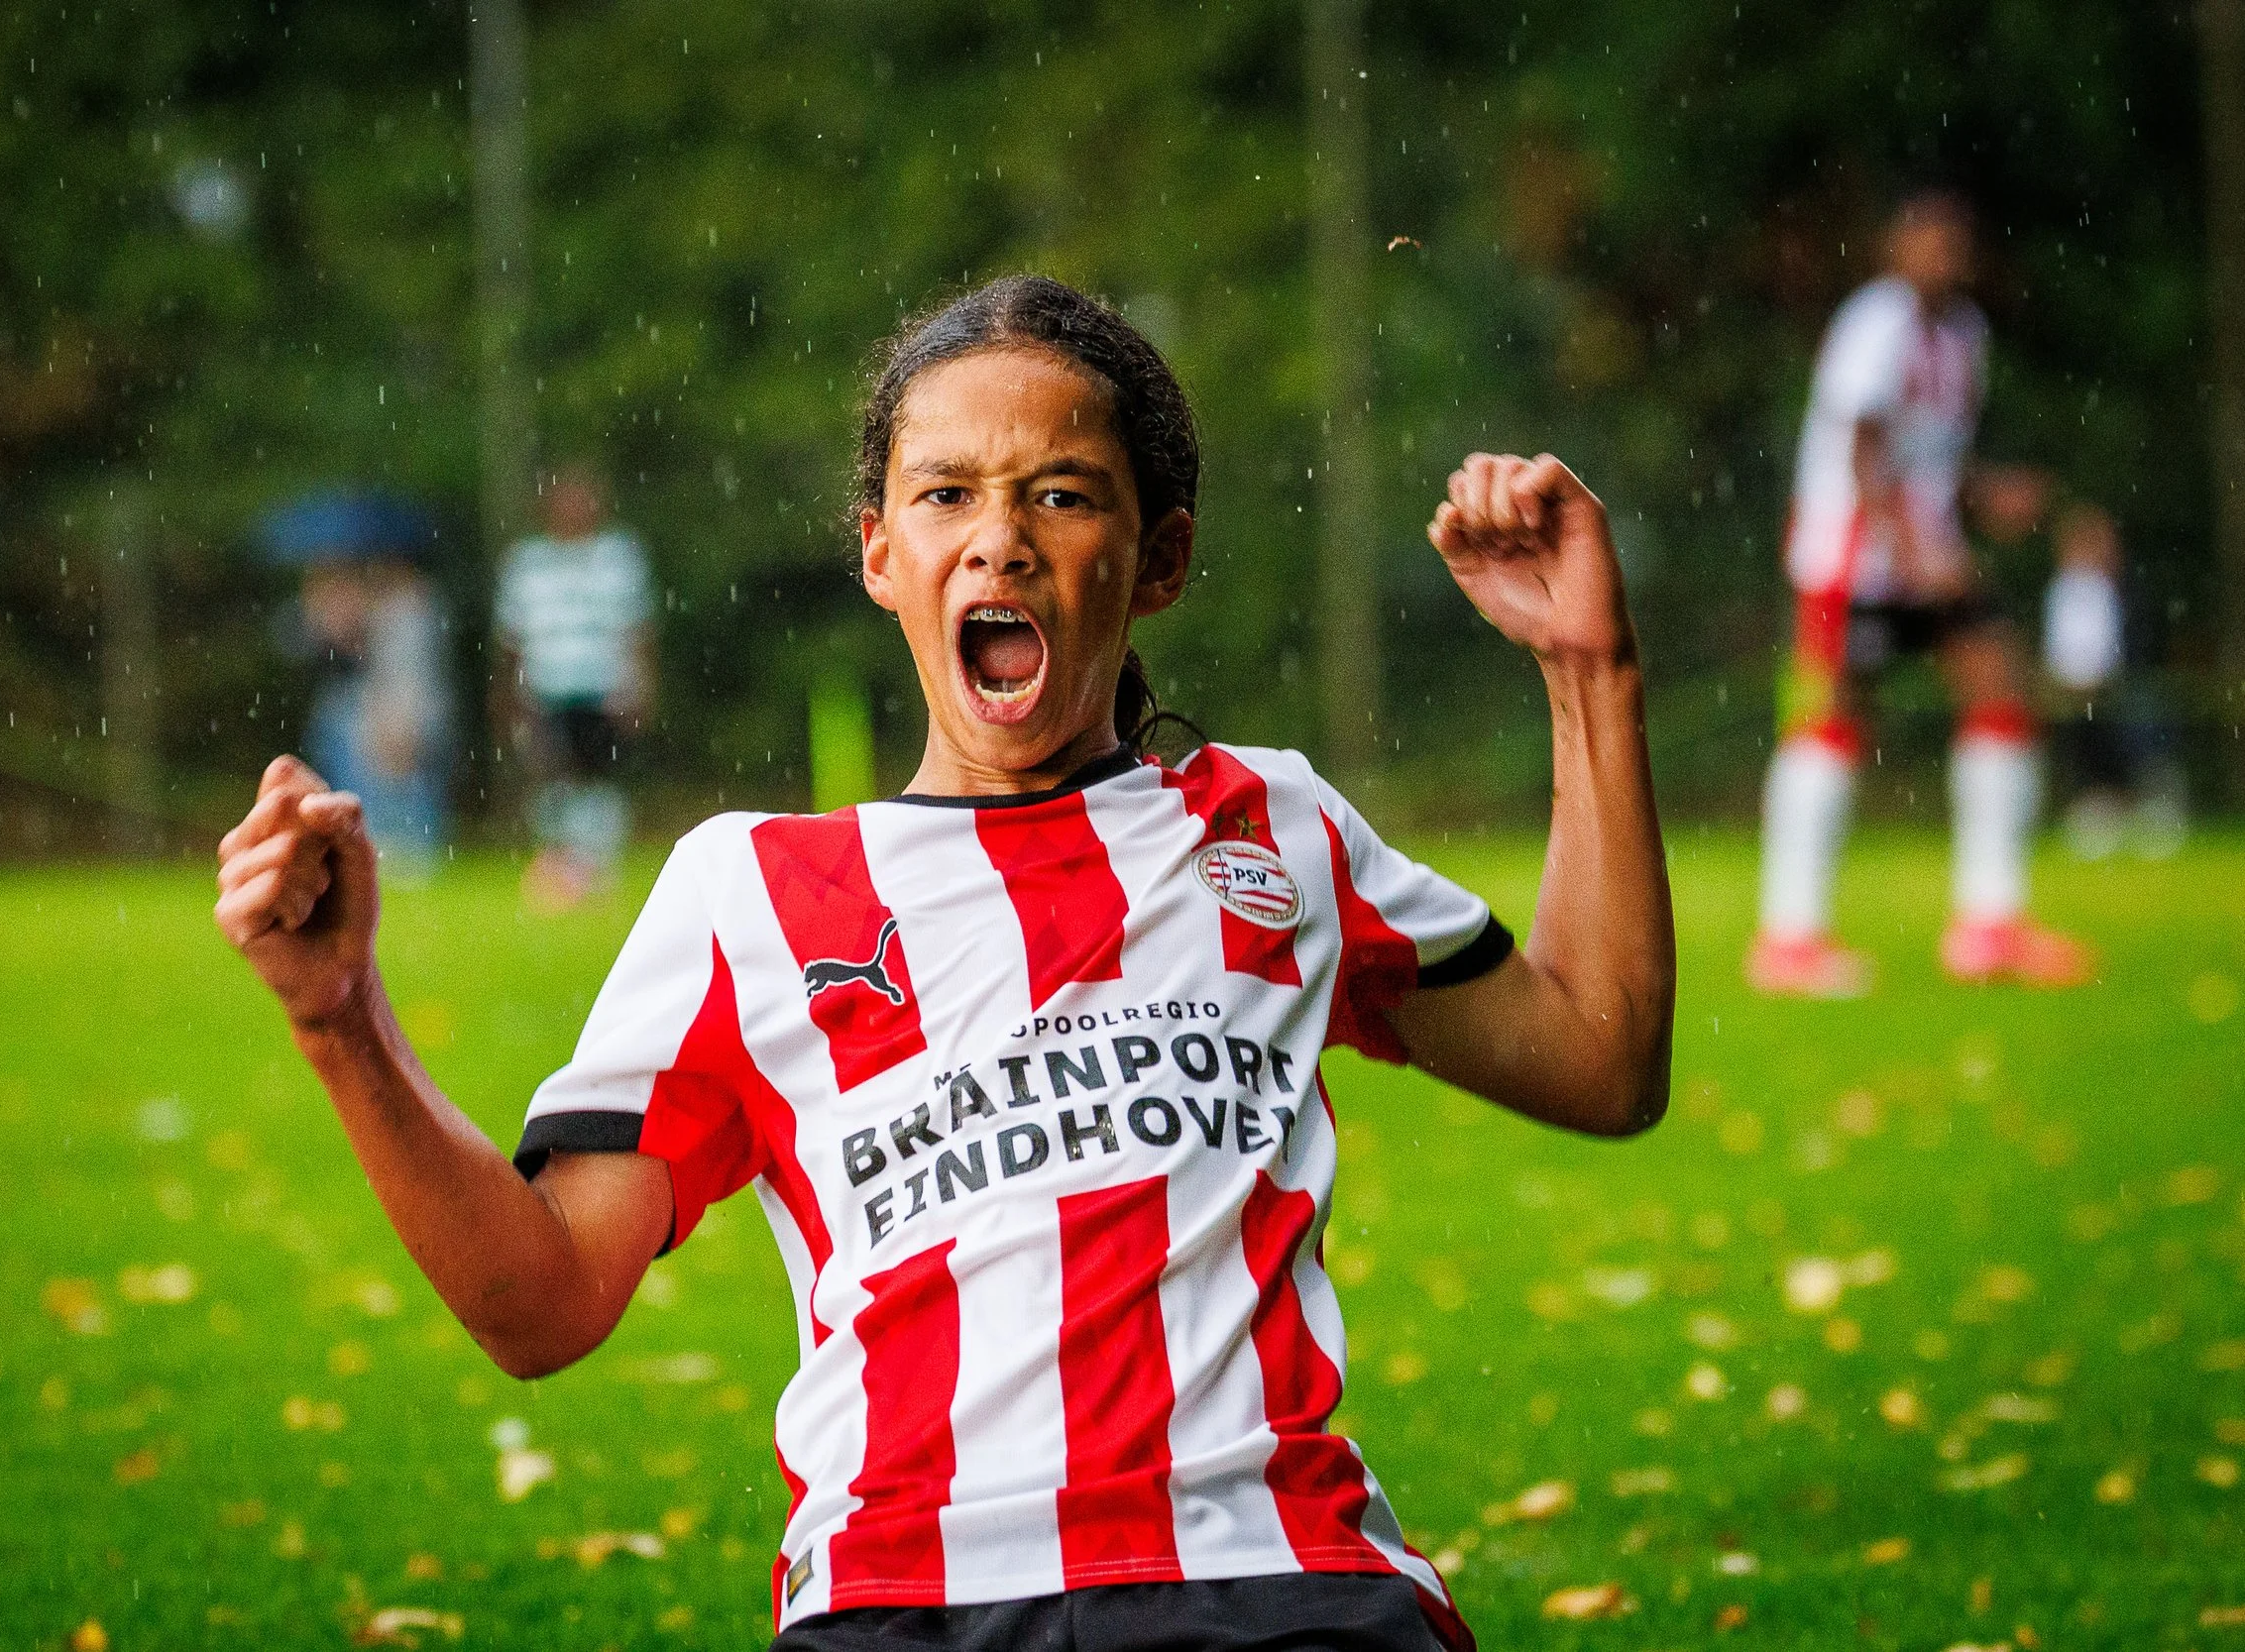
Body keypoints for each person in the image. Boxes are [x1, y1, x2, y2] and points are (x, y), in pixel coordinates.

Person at [214, 277, 1673, 1652]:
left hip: (1281, 1583)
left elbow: (1602, 1055)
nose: (1001, 537)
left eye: (1061, 492)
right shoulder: (750, 890)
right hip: (907, 1603)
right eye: (947, 494)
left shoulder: (1273, 828)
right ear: (880, 552)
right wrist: (344, 1018)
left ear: (1157, 557)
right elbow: (537, 1305)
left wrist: (1586, 670)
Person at [1748, 189, 2092, 996]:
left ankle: (1989, 925)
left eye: (1956, 244)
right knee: (1827, 725)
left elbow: (1933, 455)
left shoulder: (1966, 334)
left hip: (1927, 555)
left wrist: (1985, 497)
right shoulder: (1877, 324)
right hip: (1851, 561)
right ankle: (1789, 938)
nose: (1945, 257)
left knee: (2002, 692)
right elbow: (1863, 448)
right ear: (1895, 251)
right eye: (1929, 243)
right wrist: (1912, 549)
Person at [494, 463, 653, 909]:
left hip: (603, 689)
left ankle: (597, 865)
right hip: (548, 689)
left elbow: (637, 631)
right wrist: (511, 697)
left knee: (597, 779)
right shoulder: (528, 563)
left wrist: (639, 688)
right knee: (553, 779)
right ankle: (564, 866)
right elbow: (513, 640)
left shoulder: (617, 557)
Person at [295, 549, 454, 880]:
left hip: (396, 707)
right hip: (374, 710)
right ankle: (387, 854)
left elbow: (403, 672)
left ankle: (411, 853)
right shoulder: (389, 611)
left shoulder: (407, 613)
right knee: (378, 786)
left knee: (403, 786)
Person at [2041, 503, 2186, 861]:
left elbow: (2139, 644)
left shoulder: (2128, 589)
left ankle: (2156, 808)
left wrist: (2107, 677)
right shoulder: (2060, 590)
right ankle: (2099, 807)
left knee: (2138, 723)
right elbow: (2059, 646)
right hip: (2075, 689)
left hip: (2125, 683)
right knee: (2081, 732)